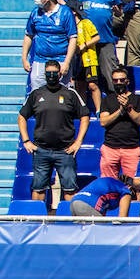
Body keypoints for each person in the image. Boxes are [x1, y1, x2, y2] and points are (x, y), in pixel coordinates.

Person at [18, 62, 89, 210]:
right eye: (48, 73)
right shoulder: (36, 94)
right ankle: (35, 222)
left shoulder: (70, 93)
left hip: (65, 150)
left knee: (70, 189)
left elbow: (85, 116)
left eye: (54, 73)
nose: (51, 76)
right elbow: (21, 116)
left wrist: (78, 142)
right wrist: (26, 140)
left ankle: (71, 224)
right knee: (38, 189)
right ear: (45, 74)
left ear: (60, 74)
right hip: (41, 150)